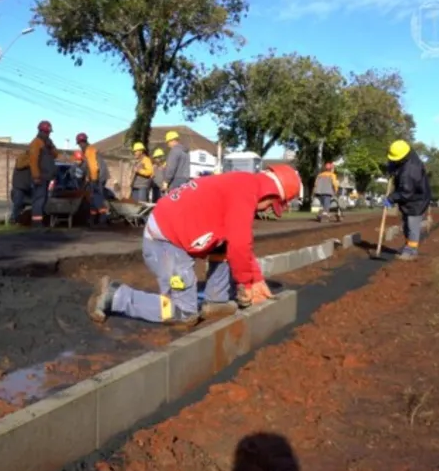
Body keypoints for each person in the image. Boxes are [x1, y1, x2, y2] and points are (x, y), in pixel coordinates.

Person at [86, 165, 303, 328]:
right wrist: (249, 283)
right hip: (164, 243)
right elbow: (240, 245)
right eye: (270, 206)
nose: (265, 210)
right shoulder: (246, 192)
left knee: (224, 245)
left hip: (177, 232)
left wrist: (256, 279)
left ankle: (216, 300)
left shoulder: (244, 185)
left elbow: (240, 242)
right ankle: (115, 296)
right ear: (272, 195)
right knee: (183, 312)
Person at [384, 140, 432, 261]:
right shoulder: (407, 155)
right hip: (410, 199)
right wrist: (391, 168)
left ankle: (412, 251)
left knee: (412, 225)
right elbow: (396, 165)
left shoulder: (410, 171)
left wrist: (391, 198)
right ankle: (407, 247)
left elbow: (406, 192)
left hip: (417, 200)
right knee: (406, 224)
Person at [28, 120, 59, 227]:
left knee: (44, 199)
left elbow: (55, 155)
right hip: (40, 177)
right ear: (41, 131)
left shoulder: (47, 143)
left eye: (49, 133)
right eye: (47, 133)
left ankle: (41, 222)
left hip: (47, 177)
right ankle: (36, 223)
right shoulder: (36, 143)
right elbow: (33, 160)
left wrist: (51, 147)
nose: (48, 134)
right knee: (39, 199)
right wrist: (36, 176)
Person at [76, 132, 110, 225]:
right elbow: (89, 168)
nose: (80, 146)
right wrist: (88, 177)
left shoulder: (89, 150)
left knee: (97, 197)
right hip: (96, 176)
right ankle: (93, 219)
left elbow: (93, 167)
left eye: (79, 144)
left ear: (81, 142)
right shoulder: (88, 150)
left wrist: (93, 179)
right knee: (93, 197)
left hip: (98, 177)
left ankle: (103, 219)